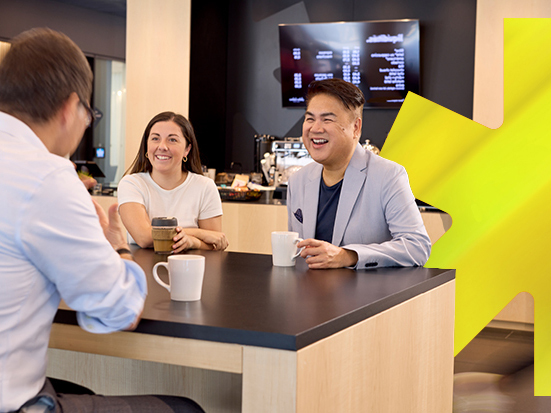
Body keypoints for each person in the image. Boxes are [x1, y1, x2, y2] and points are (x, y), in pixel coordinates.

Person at [0, 28, 204, 412]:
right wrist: (117, 249)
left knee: (85, 393)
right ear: (69, 108)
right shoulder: (48, 177)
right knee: (184, 409)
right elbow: (118, 311)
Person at [287, 78, 431, 269]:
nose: (315, 128)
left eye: (327, 119)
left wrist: (349, 256)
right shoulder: (298, 180)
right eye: (310, 118)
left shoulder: (389, 175)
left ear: (355, 127)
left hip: (369, 296)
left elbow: (417, 247)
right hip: (310, 295)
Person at [118, 112, 228, 253]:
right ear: (146, 146)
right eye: (155, 138)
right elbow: (143, 237)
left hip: (191, 270)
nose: (162, 146)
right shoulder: (131, 184)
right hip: (143, 271)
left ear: (187, 150)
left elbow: (215, 242)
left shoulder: (205, 187)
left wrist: (193, 241)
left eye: (172, 140)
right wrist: (200, 234)